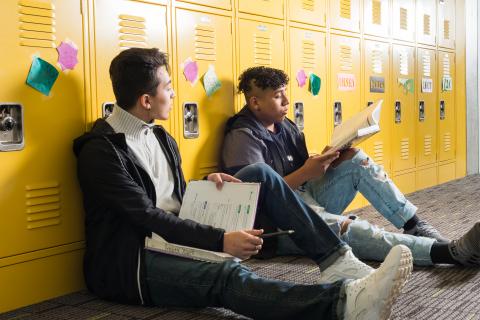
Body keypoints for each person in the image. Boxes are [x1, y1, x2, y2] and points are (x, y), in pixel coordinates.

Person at [73, 48, 412, 320]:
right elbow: (146, 214)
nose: (175, 94)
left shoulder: (161, 136)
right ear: (147, 101)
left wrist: (205, 181)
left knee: (261, 173)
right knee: (227, 274)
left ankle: (335, 259)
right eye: (168, 87)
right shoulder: (101, 151)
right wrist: (221, 240)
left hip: (172, 237)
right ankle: (344, 304)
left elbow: (166, 196)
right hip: (131, 263)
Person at [221, 66, 480, 268]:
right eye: (278, 96)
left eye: (286, 92)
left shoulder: (285, 125)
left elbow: (302, 173)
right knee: (348, 228)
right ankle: (448, 253)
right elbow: (253, 197)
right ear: (255, 102)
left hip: (305, 197)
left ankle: (414, 224)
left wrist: (327, 159)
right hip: (277, 226)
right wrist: (306, 172)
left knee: (356, 159)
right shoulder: (242, 136)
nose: (287, 100)